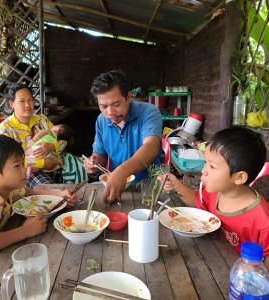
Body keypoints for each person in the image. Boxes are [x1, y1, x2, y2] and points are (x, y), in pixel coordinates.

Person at [158, 126, 269, 269]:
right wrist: (176, 184)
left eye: (212, 166)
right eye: (205, 163)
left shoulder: (263, 220)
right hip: (209, 262)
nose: (203, 170)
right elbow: (196, 201)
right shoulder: (216, 192)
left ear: (239, 177)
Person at [0, 134, 76, 266]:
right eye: (17, 166)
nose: (24, 170)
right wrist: (25, 231)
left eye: (23, 163)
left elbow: (29, 191)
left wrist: (59, 195)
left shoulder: (5, 189)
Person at [83, 70, 162, 203]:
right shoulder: (101, 120)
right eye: (103, 106)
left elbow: (151, 146)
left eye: (116, 104)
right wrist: (95, 161)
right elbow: (100, 154)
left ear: (129, 96)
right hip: (116, 188)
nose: (110, 112)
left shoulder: (149, 112)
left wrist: (121, 172)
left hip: (148, 190)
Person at [0, 83, 66, 188]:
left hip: (57, 166)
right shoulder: (6, 129)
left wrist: (51, 146)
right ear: (12, 104)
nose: (27, 105)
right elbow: (8, 160)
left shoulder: (42, 120)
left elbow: (63, 141)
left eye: (30, 100)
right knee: (49, 189)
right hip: (29, 173)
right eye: (22, 101)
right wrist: (42, 163)